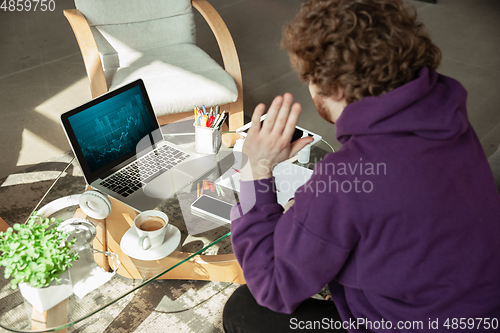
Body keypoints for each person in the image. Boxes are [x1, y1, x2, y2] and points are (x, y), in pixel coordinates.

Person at [222, 0, 500, 332]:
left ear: (334, 87)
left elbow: (272, 285)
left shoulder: (346, 178)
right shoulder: (445, 111)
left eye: (308, 80)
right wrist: (320, 209)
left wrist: (256, 170)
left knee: (244, 309)